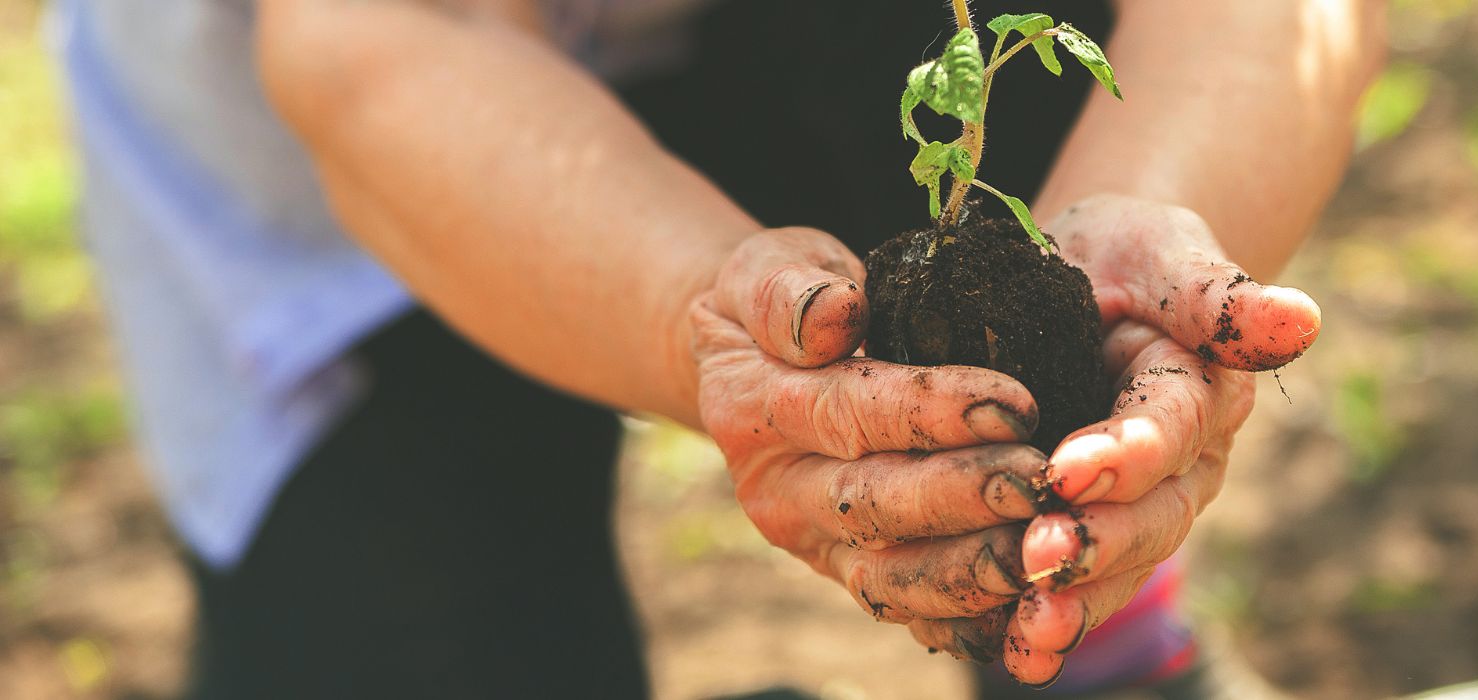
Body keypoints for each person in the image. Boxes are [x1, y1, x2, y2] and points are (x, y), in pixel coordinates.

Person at [52, 0, 1382, 696]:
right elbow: (403, 27)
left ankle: (1078, 591)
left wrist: (1144, 242)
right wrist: (693, 317)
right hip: (380, 125)